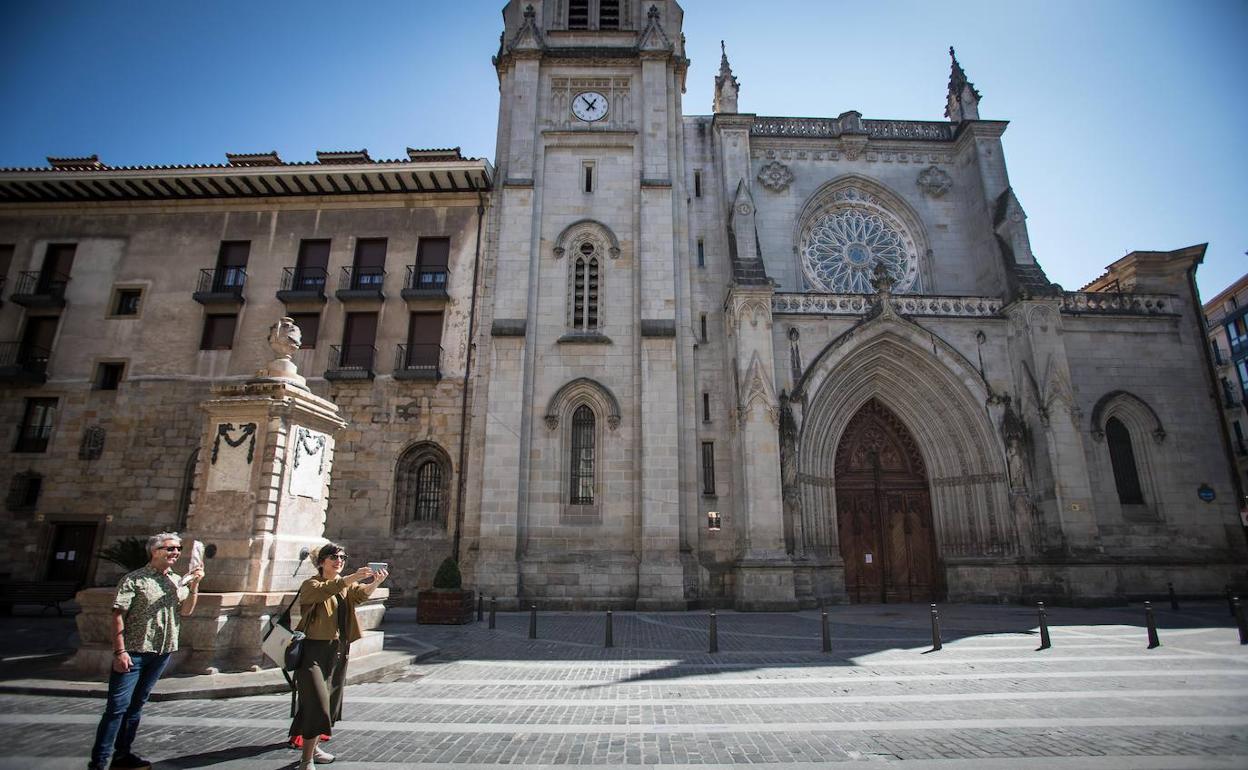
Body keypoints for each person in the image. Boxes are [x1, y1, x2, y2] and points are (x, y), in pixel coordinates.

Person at [89, 532, 204, 770]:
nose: (175, 553)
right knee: (117, 707)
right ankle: (98, 763)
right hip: (134, 652)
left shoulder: (175, 580)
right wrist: (120, 652)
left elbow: (186, 611)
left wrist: (194, 585)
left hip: (162, 652)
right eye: (169, 548)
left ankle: (122, 756)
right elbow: (118, 615)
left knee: (136, 706)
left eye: (178, 549)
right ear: (154, 551)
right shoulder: (135, 579)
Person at [288, 542, 388, 768]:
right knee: (318, 703)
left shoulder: (343, 587)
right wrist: (353, 576)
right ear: (321, 562)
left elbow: (360, 596)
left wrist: (375, 582)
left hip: (337, 651)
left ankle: (312, 748)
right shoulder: (311, 584)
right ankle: (306, 760)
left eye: (342, 557)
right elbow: (325, 590)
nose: (339, 561)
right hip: (312, 651)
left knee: (328, 703)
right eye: (333, 557)